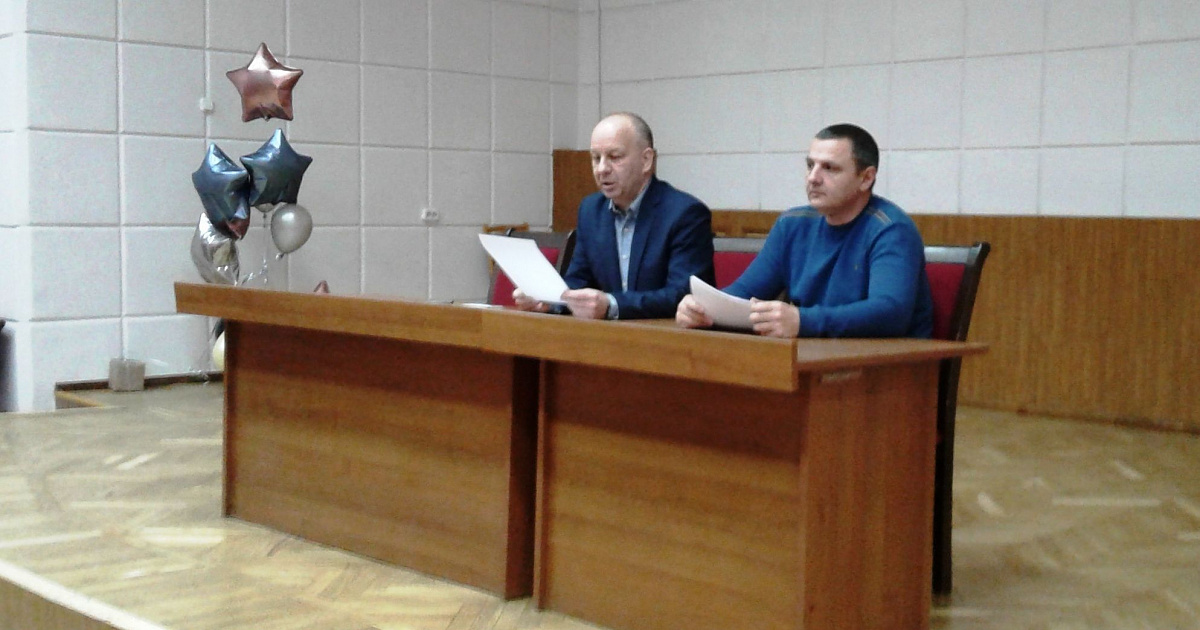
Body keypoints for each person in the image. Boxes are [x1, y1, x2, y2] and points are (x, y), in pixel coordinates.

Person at [676, 123, 933, 338]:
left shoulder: (891, 230)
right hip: (816, 358)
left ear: (866, 178)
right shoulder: (792, 224)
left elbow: (890, 313)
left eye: (829, 168)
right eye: (811, 165)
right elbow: (745, 293)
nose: (813, 178)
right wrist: (704, 309)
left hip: (886, 366)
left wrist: (803, 321)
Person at [514, 112, 714, 320]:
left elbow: (683, 295)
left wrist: (612, 305)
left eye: (614, 157)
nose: (602, 169)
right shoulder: (591, 210)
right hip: (605, 336)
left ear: (646, 160)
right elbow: (578, 281)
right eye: (596, 158)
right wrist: (548, 300)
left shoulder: (685, 213)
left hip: (663, 334)